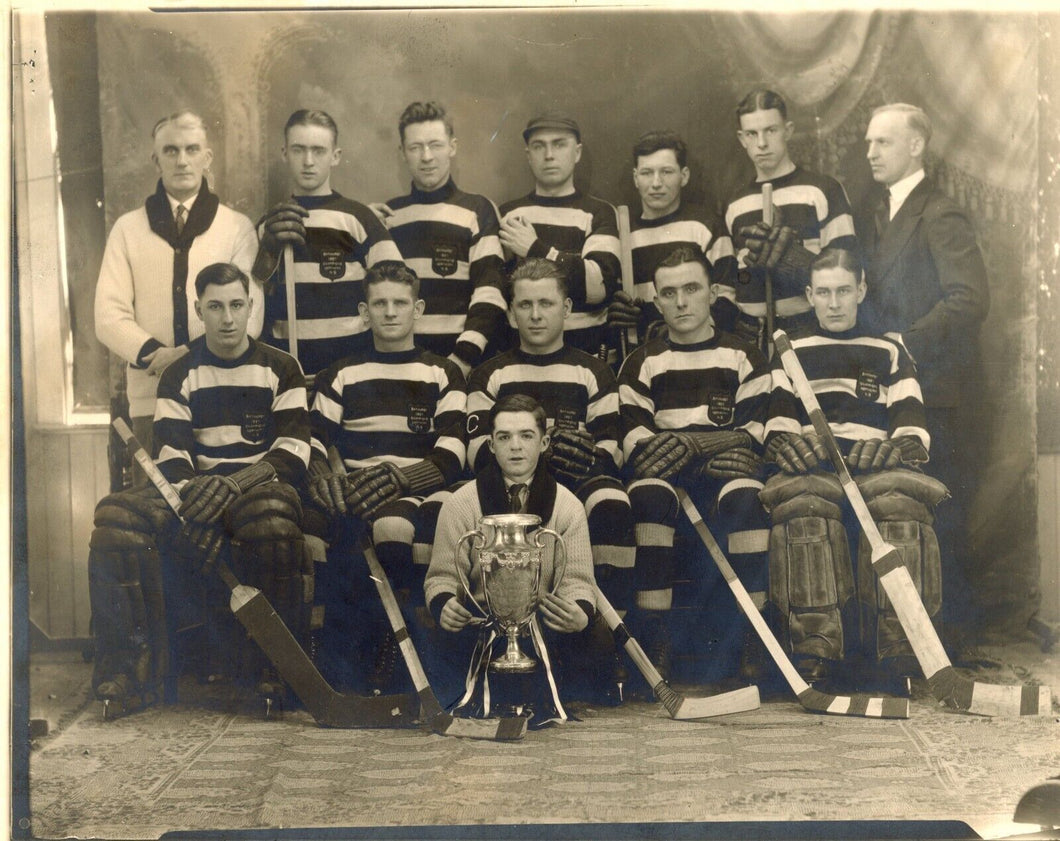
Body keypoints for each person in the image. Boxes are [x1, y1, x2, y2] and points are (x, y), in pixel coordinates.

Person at [87, 262, 311, 714]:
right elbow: (172, 458)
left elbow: (291, 455)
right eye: (215, 307)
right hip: (193, 494)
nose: (227, 318)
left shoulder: (282, 367)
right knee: (114, 519)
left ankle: (274, 672)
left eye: (235, 305)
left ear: (250, 307)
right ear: (198, 310)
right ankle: (127, 672)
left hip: (256, 491)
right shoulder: (180, 371)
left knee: (270, 516)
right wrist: (200, 506)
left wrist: (231, 486)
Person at [763, 246, 947, 691]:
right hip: (818, 467)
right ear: (808, 294)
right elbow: (779, 428)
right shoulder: (790, 350)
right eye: (823, 292)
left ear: (861, 290)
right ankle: (816, 654)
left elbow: (910, 425)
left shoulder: (889, 349)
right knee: (803, 506)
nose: (833, 302)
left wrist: (895, 450)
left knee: (900, 505)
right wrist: (791, 449)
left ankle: (899, 653)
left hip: (873, 465)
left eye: (843, 291)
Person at [855, 103, 990, 643]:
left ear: (916, 146)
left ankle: (951, 643)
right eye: (868, 142)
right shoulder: (880, 212)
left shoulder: (940, 212)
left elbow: (969, 299)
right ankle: (911, 640)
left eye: (883, 142)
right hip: (895, 392)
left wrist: (903, 342)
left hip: (936, 391)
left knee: (941, 512)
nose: (870, 152)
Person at [465, 258, 633, 689]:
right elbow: (477, 454)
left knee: (612, 502)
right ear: (510, 312)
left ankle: (610, 636)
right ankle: (496, 641)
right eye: (525, 304)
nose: (535, 315)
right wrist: (546, 454)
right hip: (511, 487)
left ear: (568, 308)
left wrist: (582, 455)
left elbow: (611, 449)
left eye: (546, 303)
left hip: (575, 488)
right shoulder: (490, 374)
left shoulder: (593, 371)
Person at [304, 261, 467, 692]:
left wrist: (399, 480)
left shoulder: (442, 373)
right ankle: (343, 669)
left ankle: (399, 660)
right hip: (353, 492)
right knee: (331, 531)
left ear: (419, 309)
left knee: (392, 529)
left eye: (400, 303)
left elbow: (452, 453)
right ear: (364, 310)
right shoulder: (340, 374)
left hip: (414, 493)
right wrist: (328, 479)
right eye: (379, 303)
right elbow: (313, 442)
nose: (390, 312)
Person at [618, 245, 772, 684]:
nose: (680, 302)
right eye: (668, 293)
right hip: (668, 488)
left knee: (746, 493)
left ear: (713, 293)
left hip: (726, 486)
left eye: (691, 288)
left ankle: (752, 634)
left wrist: (688, 445)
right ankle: (655, 638)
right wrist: (708, 449)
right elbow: (642, 450)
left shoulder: (745, 357)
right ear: (655, 299)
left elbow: (752, 438)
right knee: (648, 492)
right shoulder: (642, 363)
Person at [425, 394, 613, 723]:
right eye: (504, 437)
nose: (515, 447)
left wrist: (578, 613)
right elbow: (442, 576)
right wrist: (444, 605)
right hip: (481, 629)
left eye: (526, 436)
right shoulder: (461, 504)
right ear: (490, 445)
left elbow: (577, 582)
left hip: (541, 629)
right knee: (435, 635)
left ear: (544, 442)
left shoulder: (567, 506)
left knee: (594, 636)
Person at [95, 110, 260, 457]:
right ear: (156, 160)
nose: (182, 160)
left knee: (220, 497)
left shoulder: (236, 227)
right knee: (156, 505)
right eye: (171, 151)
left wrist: (185, 355)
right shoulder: (128, 229)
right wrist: (159, 356)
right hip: (151, 397)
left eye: (191, 149)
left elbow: (251, 313)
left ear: (207, 157)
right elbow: (108, 315)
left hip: (222, 390)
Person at [253, 109, 404, 383]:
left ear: (335, 156)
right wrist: (269, 251)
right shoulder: (269, 225)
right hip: (288, 377)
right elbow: (253, 294)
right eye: (298, 150)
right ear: (285, 153)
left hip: (352, 374)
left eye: (319, 151)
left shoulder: (360, 218)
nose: (308, 161)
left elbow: (398, 288)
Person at [369, 101, 507, 377]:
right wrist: (364, 225)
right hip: (401, 368)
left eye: (436, 145)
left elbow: (490, 293)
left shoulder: (478, 210)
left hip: (464, 366)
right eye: (415, 147)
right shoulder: (388, 216)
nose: (427, 156)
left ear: (452, 147)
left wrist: (462, 359)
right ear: (402, 153)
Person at [722, 89, 858, 352]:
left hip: (809, 330)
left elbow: (850, 269)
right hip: (750, 339)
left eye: (771, 130)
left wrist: (794, 259)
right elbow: (730, 282)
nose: (761, 143)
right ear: (742, 139)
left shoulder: (823, 190)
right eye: (752, 134)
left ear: (789, 130)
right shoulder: (734, 204)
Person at [499, 113, 621, 358]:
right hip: (521, 358)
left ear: (576, 153)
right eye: (539, 146)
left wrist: (535, 249)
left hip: (587, 357)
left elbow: (597, 288)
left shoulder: (599, 212)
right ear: (528, 156)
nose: (549, 155)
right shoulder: (508, 215)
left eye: (559, 144)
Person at [607, 130, 737, 344]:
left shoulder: (706, 226)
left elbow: (727, 302)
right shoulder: (623, 234)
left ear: (683, 176)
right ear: (635, 178)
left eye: (666, 172)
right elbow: (616, 301)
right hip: (644, 353)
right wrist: (619, 312)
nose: (656, 183)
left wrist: (680, 335)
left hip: (701, 349)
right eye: (647, 173)